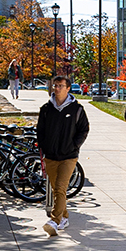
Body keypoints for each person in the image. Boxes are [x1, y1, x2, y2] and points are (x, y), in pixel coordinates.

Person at [38, 75, 89, 236]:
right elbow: (40, 130)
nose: (57, 88)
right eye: (55, 85)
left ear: (68, 88)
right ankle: (64, 216)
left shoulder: (77, 109)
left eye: (60, 86)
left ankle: (54, 220)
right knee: (56, 189)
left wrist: (74, 145)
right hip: (51, 155)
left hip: (69, 156)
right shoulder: (46, 109)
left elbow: (84, 129)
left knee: (60, 187)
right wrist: (44, 146)